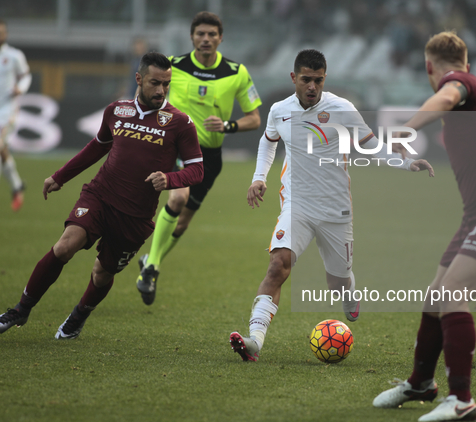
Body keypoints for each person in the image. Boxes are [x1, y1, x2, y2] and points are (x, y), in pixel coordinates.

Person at [229, 49, 434, 362]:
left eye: (319, 80)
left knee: (336, 282)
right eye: (307, 79)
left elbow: (369, 144)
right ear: (293, 78)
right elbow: (268, 140)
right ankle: (254, 340)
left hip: (336, 210)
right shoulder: (279, 110)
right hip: (297, 205)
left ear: (325, 79)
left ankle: (348, 290)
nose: (312, 86)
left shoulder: (342, 108)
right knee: (277, 266)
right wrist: (259, 177)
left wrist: (405, 163)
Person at [372, 32, 476, 421]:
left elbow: (446, 97)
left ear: (430, 67)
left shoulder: (457, 85)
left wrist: (405, 128)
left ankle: (461, 400)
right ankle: (421, 384)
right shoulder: (474, 86)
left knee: (452, 294)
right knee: (435, 296)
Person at [0, 53, 204, 339]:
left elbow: (197, 171)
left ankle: (80, 314)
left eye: (166, 84)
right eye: (155, 83)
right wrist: (60, 177)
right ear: (139, 79)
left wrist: (170, 179)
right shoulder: (116, 111)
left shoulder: (180, 123)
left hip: (135, 215)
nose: (161, 90)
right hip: (100, 195)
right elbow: (97, 147)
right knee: (64, 247)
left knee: (102, 273)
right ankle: (20, 310)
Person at [136, 11, 262, 305]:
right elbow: (145, 97)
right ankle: (152, 268)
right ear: (192, 36)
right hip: (174, 147)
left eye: (211, 34)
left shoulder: (236, 72)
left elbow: (254, 118)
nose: (206, 39)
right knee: (177, 199)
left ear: (220, 38)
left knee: (181, 224)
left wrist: (228, 126)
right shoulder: (173, 66)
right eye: (200, 34)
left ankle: (149, 261)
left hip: (209, 156)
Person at [0, 19, 31, 211]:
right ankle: (17, 186)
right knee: (3, 152)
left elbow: (26, 75)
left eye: (2, 32)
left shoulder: (14, 55)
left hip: (7, 110)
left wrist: (20, 88)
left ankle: (17, 186)